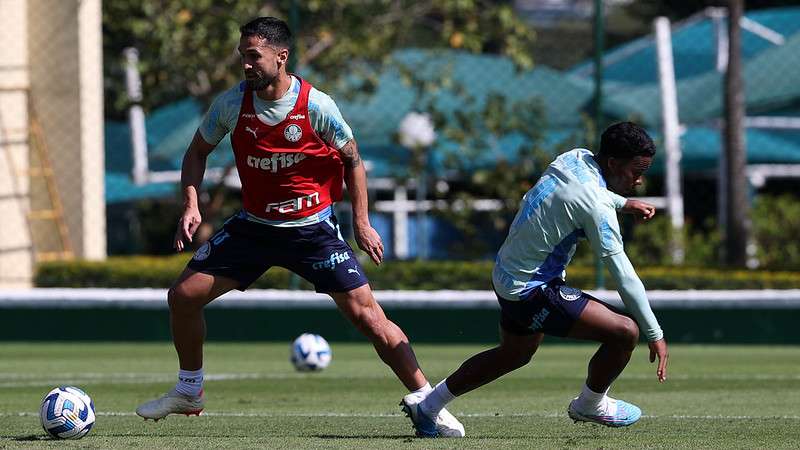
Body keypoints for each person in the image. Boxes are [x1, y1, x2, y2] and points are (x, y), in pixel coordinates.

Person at [135, 16, 464, 437]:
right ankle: (190, 390)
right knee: (182, 297)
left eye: (253, 56)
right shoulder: (230, 105)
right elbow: (196, 153)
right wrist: (191, 204)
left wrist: (362, 222)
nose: (246, 64)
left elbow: (352, 160)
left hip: (311, 231)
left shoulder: (316, 106)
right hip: (255, 228)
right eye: (243, 56)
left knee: (368, 316)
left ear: (281, 56)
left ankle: (429, 404)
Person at [400, 122, 669, 437]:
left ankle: (429, 406)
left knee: (515, 353)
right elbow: (622, 273)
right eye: (636, 172)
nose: (639, 181)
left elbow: (584, 192)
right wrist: (655, 332)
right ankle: (591, 403)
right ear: (612, 164)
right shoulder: (596, 205)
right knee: (625, 332)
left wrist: (624, 203)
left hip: (506, 275)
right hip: (532, 288)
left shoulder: (575, 158)